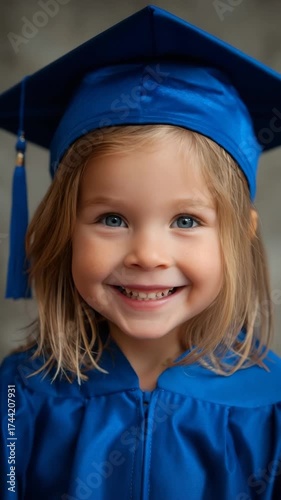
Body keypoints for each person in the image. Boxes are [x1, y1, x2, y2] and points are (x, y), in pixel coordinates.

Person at [0, 5, 281, 500]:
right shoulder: (21, 393)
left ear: (240, 237)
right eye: (112, 219)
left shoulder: (269, 403)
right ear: (63, 230)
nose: (148, 255)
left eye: (186, 221)